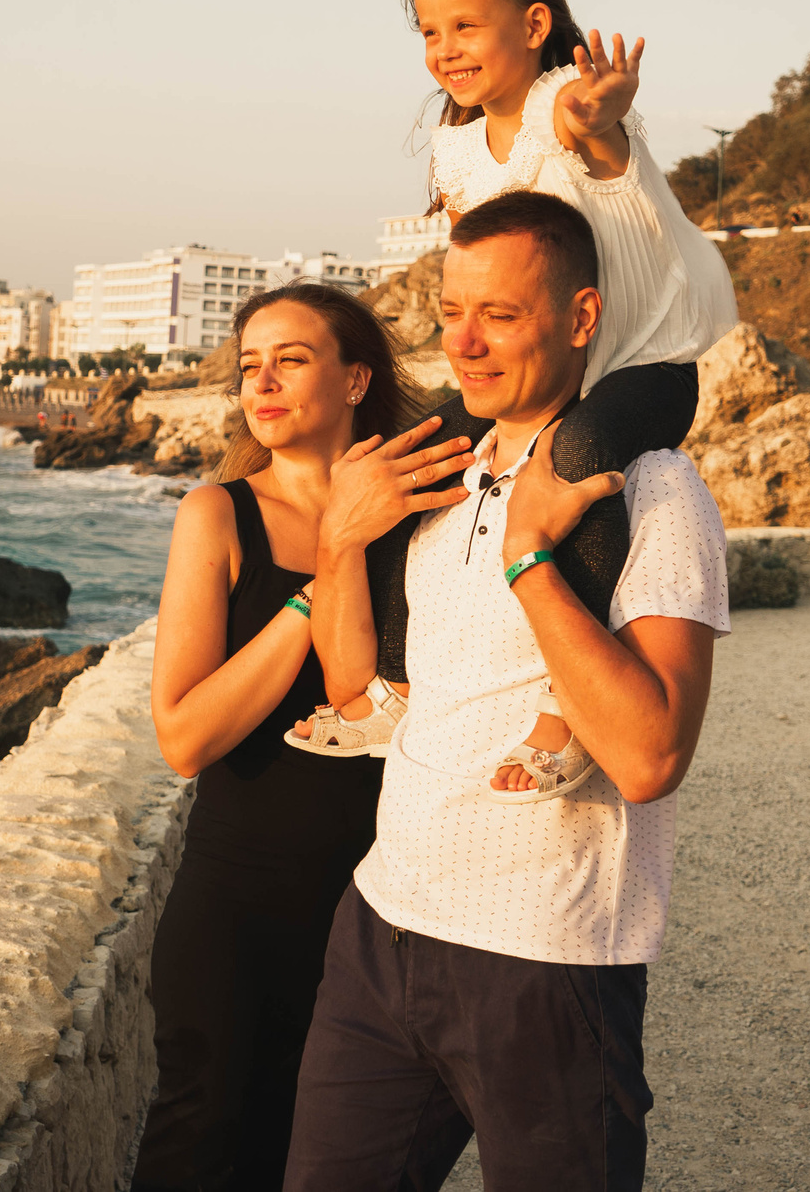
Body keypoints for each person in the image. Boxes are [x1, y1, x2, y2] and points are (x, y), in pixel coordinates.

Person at [284, 190, 730, 1192]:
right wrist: (340, 539)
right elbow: (356, 682)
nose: (467, 344)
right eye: (451, 313)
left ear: (580, 319)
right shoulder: (437, 470)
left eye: (501, 315)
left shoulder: (653, 491)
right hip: (381, 928)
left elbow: (650, 755)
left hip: (546, 958)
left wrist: (531, 557)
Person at [289, 0, 734, 803]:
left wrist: (597, 123)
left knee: (575, 466)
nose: (443, 49)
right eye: (427, 32)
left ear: (535, 24)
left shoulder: (569, 98)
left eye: (464, 26)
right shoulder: (457, 150)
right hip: (541, 376)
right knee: (413, 458)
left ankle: (563, 715)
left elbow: (596, 147)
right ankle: (392, 686)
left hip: (640, 364)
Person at [134, 282, 478, 1192]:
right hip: (236, 909)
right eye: (251, 365)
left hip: (383, 903)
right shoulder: (218, 514)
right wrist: (320, 574)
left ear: (357, 377)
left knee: (334, 1163)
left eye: (291, 359)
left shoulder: (427, 512)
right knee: (200, 1147)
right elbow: (183, 734)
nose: (264, 383)